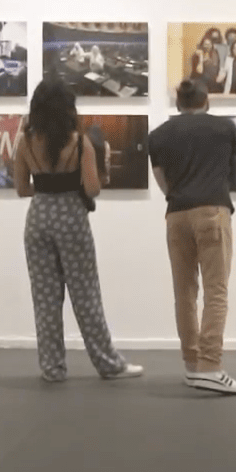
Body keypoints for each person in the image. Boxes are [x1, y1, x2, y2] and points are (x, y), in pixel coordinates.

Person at [13, 79, 140, 384]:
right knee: (86, 295)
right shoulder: (80, 143)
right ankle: (108, 364)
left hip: (38, 218)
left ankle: (52, 368)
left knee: (45, 298)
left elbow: (21, 189)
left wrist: (46, 191)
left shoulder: (26, 142)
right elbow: (93, 189)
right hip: (72, 218)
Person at [149, 78, 236, 395]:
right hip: (212, 211)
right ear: (206, 100)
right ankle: (210, 366)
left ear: (178, 103)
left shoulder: (159, 135)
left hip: (176, 215)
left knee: (184, 292)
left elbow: (161, 180)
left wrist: (180, 195)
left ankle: (192, 365)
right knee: (216, 291)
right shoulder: (224, 129)